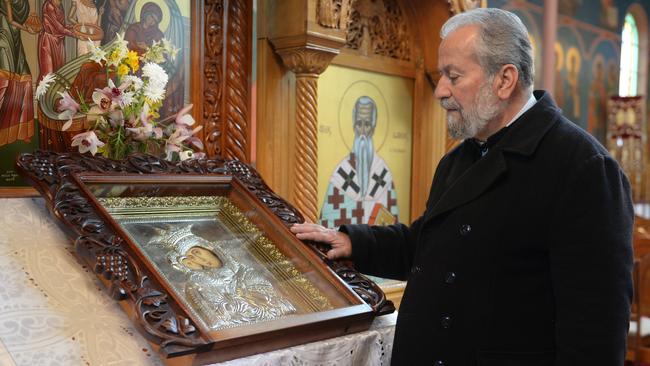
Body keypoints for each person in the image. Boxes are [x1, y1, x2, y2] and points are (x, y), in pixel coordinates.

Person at [291, 8, 633, 366]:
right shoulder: (462, 157)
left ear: (504, 80)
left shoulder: (583, 168)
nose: (440, 91)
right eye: (442, 76)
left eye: (453, 76)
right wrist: (354, 242)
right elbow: (430, 245)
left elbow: (595, 334)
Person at [320, 96, 399, 228]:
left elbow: (394, 229)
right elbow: (327, 222)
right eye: (359, 124)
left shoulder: (383, 174)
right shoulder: (341, 174)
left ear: (373, 127)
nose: (362, 131)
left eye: (367, 124)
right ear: (353, 125)